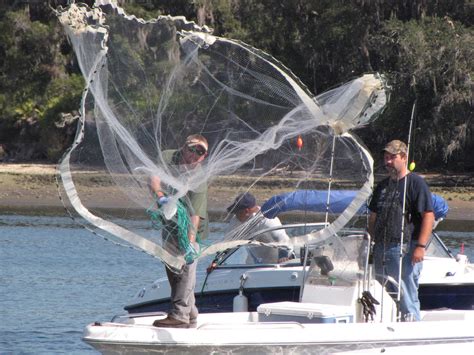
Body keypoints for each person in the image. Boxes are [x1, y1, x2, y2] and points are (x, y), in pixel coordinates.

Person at [368, 139, 434, 321]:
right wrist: (371, 240)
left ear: (404, 157)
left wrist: (420, 246)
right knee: (382, 294)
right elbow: (373, 216)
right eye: (386, 158)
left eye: (392, 157)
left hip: (404, 249)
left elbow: (429, 216)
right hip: (380, 247)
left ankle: (412, 326)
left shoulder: (415, 184)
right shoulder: (381, 186)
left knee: (405, 295)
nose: (388, 161)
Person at [149, 134, 209, 328]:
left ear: (204, 157)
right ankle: (190, 313)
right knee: (173, 271)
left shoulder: (199, 178)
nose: (194, 155)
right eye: (191, 149)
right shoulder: (168, 157)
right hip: (169, 223)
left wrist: (190, 243)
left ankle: (179, 316)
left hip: (192, 229)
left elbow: (195, 216)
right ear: (183, 147)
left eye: (200, 153)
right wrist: (160, 196)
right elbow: (154, 178)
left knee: (184, 269)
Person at [227, 192, 294, 264]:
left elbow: (282, 239)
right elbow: (228, 241)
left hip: (280, 258)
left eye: (237, 213)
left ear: (246, 211)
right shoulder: (236, 220)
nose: (235, 216)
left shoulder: (267, 218)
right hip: (254, 260)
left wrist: (283, 256)